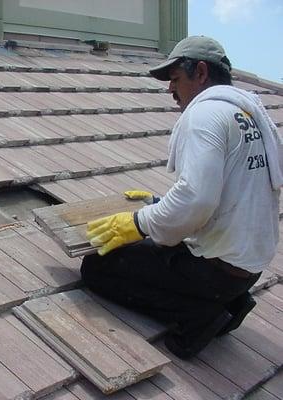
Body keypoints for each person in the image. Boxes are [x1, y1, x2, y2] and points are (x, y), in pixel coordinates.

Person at [81, 36, 282, 359]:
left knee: (96, 267)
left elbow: (197, 200)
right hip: (247, 270)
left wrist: (138, 221)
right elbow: (227, 191)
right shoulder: (249, 114)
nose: (170, 90)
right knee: (153, 244)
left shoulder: (205, 115)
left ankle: (197, 316)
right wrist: (160, 203)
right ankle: (232, 304)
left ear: (200, 72)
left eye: (175, 79)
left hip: (215, 272)